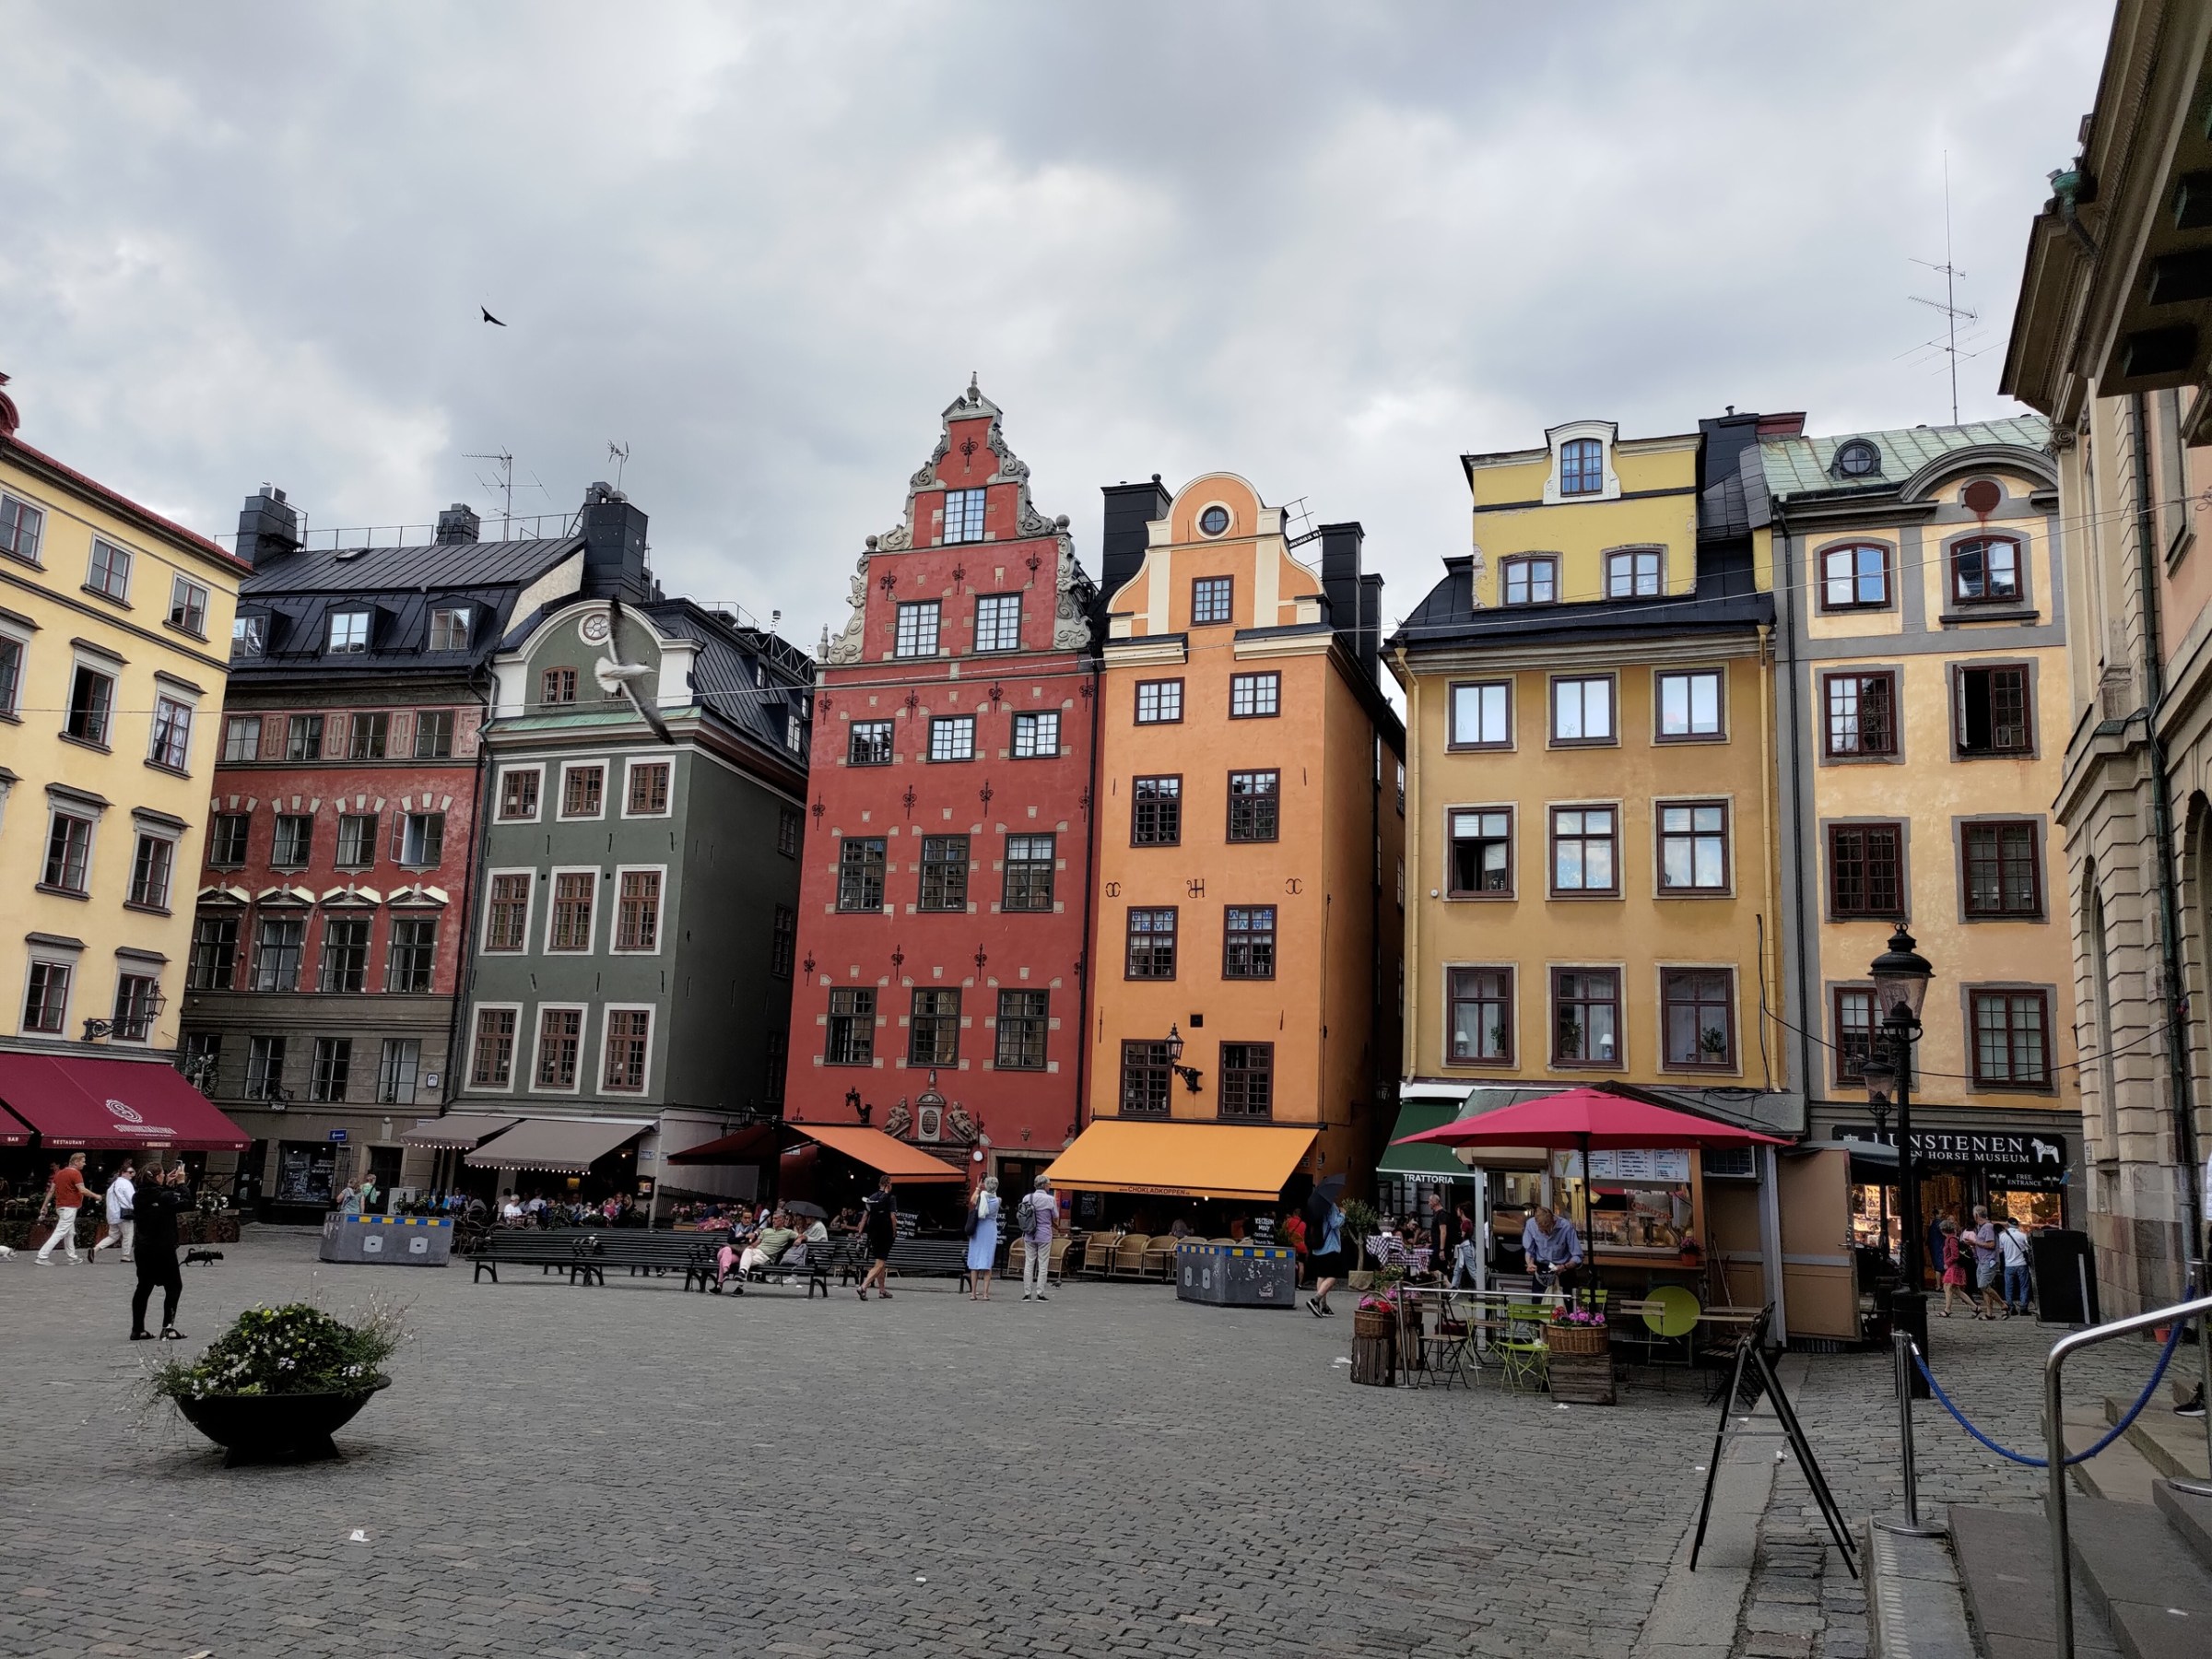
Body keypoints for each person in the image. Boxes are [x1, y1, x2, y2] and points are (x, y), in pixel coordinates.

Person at [129, 1162, 193, 1341]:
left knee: (143, 1287)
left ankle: (138, 1328)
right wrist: (181, 1183)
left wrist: (167, 1186)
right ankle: (168, 1328)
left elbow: (158, 1197)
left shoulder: (138, 1196)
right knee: (174, 1286)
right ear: (157, 1177)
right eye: (162, 1174)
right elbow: (188, 1203)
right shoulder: (165, 1197)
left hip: (143, 1248)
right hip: (163, 1248)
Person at [35, 1152, 100, 1265]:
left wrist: (44, 1205)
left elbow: (51, 1191)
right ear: (76, 1162)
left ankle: (72, 1257)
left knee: (70, 1233)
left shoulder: (59, 1173)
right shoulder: (76, 1174)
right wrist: (96, 1196)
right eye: (83, 1161)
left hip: (61, 1207)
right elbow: (83, 1190)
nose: (84, 1164)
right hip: (69, 1208)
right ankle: (42, 1256)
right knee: (60, 1232)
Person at [1303, 1186, 1346, 1317]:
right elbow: (1335, 1224)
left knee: (1322, 1276)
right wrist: (1343, 1213)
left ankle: (1323, 1306)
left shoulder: (1314, 1209)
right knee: (1333, 1276)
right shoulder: (1330, 1206)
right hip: (1330, 1247)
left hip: (1318, 1247)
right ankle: (1315, 1300)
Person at [1522, 1205, 1583, 1293]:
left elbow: (1577, 1256)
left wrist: (1564, 1266)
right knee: (1539, 1304)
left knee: (1564, 1305)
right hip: (1542, 1269)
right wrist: (1530, 1264)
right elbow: (1529, 1250)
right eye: (1542, 1231)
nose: (1546, 1234)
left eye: (1547, 1230)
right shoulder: (1531, 1225)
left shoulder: (1566, 1226)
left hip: (1563, 1270)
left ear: (1553, 1221)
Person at [858, 1174, 898, 1300]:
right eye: (891, 1184)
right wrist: (894, 1231)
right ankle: (863, 1286)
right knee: (880, 1263)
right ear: (887, 1185)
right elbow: (892, 1217)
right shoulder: (891, 1198)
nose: (892, 1186)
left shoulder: (871, 1198)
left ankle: (882, 1290)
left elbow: (865, 1217)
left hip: (873, 1233)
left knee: (880, 1260)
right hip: (885, 1232)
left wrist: (860, 1232)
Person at [91, 1159, 136, 1263]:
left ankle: (95, 1249)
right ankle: (125, 1255)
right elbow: (131, 1198)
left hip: (113, 1214)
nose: (132, 1174)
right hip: (124, 1213)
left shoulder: (114, 1184)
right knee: (128, 1234)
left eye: (133, 1172)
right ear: (123, 1173)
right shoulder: (126, 1184)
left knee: (114, 1235)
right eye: (130, 1172)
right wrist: (135, 1208)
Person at [1019, 1176, 1056, 1301]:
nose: (1049, 1186)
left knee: (1029, 1263)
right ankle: (1040, 1293)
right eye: (1049, 1184)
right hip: (1044, 1234)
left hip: (1029, 1233)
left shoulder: (1027, 1198)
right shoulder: (1050, 1199)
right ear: (1045, 1185)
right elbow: (1055, 1216)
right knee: (1043, 1265)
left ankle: (1027, 1293)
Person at [966, 1177, 1003, 1300]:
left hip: (978, 1229)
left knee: (975, 1261)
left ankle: (973, 1293)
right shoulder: (998, 1200)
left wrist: (977, 1188)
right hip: (990, 1230)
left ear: (986, 1186)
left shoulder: (980, 1198)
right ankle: (985, 1294)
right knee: (987, 1262)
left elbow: (972, 1200)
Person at [1970, 1206, 2004, 1320]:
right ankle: (1989, 1313)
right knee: (1984, 1287)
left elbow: (1991, 1244)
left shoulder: (1988, 1227)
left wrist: (1975, 1242)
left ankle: (2003, 1305)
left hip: (1989, 1260)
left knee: (1983, 1285)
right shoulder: (1981, 1227)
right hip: (1982, 1260)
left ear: (1976, 1215)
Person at [739, 1212, 797, 1277]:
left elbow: (803, 1236)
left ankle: (742, 1273)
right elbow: (756, 1243)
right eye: (773, 1218)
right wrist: (751, 1246)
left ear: (782, 1220)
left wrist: (799, 1239)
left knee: (745, 1260)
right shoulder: (766, 1230)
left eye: (776, 1218)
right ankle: (742, 1272)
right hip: (756, 1251)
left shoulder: (788, 1232)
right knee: (747, 1250)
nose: (773, 1221)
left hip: (766, 1257)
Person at [1996, 1215, 2033, 1317]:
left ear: (2008, 1224)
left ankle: (2011, 1307)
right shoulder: (2022, 1235)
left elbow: (2000, 1250)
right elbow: (2028, 1248)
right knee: (2024, 1286)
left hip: (2009, 1264)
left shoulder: (2002, 1236)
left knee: (2008, 1286)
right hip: (2021, 1263)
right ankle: (2023, 1307)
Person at [1938, 1218, 1971, 1317]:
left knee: (1947, 1286)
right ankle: (1974, 1307)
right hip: (1952, 1266)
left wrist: (1947, 1263)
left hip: (1953, 1266)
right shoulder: (1950, 1239)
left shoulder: (1952, 1239)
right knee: (1954, 1289)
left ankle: (1947, 1309)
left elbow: (1955, 1255)